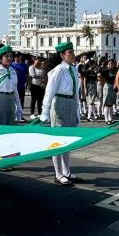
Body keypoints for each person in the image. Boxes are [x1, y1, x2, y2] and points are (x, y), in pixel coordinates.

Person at [40, 42, 82, 185]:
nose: (73, 54)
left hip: (70, 103)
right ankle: (58, 174)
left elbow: (76, 92)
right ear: (62, 55)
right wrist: (45, 111)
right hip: (60, 103)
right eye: (70, 52)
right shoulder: (59, 70)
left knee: (67, 140)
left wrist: (78, 110)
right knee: (57, 141)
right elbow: (49, 91)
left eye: (73, 51)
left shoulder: (73, 70)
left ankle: (67, 171)